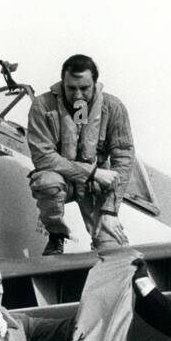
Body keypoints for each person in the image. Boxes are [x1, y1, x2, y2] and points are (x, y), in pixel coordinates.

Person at [27, 53, 135, 255]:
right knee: (46, 182)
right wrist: (91, 172)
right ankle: (56, 235)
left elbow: (123, 158)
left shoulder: (113, 107)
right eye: (71, 88)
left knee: (113, 251)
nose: (78, 95)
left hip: (97, 188)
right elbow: (43, 156)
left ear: (95, 83)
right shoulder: (42, 106)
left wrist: (110, 210)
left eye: (84, 88)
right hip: (65, 180)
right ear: (62, 83)